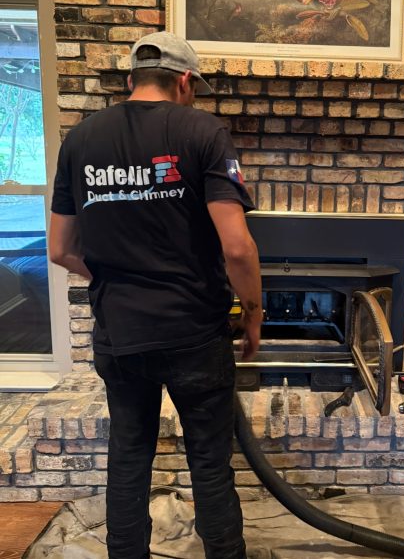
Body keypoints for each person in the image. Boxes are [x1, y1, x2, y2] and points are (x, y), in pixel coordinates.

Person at [49, 31, 262, 559]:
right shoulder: (203, 132)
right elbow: (236, 247)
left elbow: (59, 248)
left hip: (119, 334)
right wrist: (253, 313)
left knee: (128, 457)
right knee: (209, 461)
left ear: (130, 80)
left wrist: (105, 280)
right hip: (194, 331)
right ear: (185, 82)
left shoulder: (81, 139)